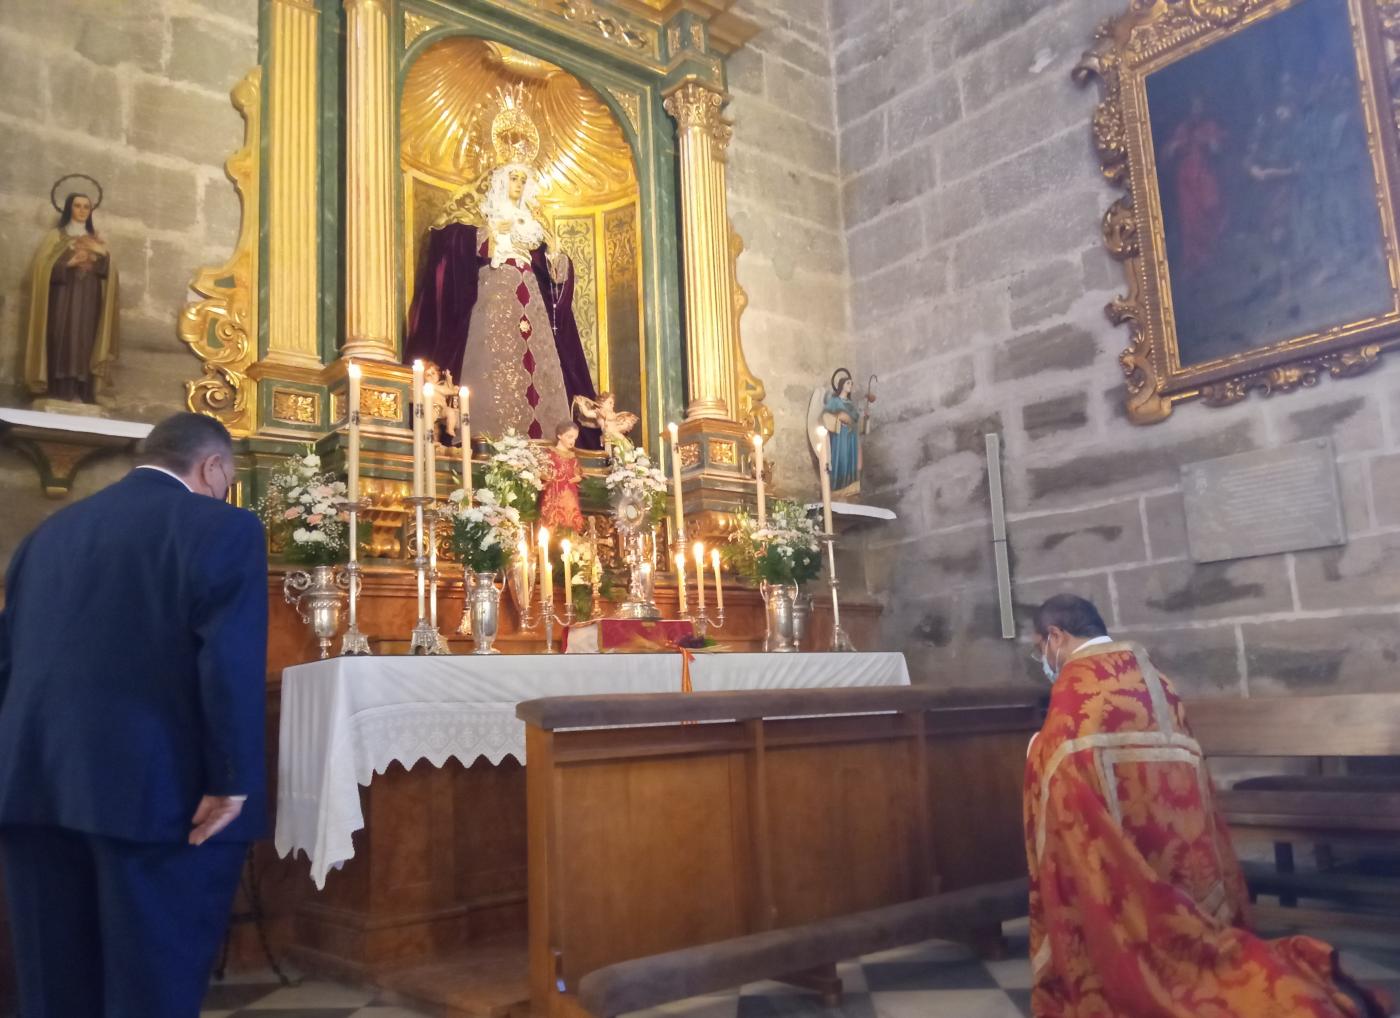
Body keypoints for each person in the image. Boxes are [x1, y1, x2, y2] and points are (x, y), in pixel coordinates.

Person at [0, 412, 268, 1017]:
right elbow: (228, 661)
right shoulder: (222, 526)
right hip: (156, 796)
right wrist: (231, 779)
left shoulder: (48, 534)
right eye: (227, 479)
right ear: (213, 467)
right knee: (152, 987)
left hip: (31, 786)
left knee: (54, 988)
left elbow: (9, 660)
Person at [1025, 595, 1387, 1017]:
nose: (1043, 658)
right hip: (1181, 845)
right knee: (1195, 942)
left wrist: (1035, 750)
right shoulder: (1155, 679)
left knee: (1140, 937)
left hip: (1123, 854)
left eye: (1040, 647)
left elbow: (1057, 765)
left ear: (1056, 636)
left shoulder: (1076, 688)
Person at [403, 161, 598, 443]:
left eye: (522, 180)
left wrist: (556, 256)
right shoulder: (484, 219)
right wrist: (490, 235)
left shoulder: (533, 228)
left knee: (541, 366)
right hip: (496, 292)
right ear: (500, 183)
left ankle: (549, 443)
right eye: (513, 178)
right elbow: (452, 246)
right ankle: (487, 441)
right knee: (495, 361)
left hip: (531, 298)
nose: (518, 185)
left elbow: (554, 277)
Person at [24, 189, 119, 404]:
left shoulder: (96, 240)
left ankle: (83, 390)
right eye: (77, 206)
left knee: (86, 339)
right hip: (62, 296)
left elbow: (108, 272)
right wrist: (68, 263)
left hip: (89, 297)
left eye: (86, 207)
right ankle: (58, 389)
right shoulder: (56, 236)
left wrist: (103, 255)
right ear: (69, 208)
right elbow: (40, 269)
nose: (82, 210)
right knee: (61, 336)